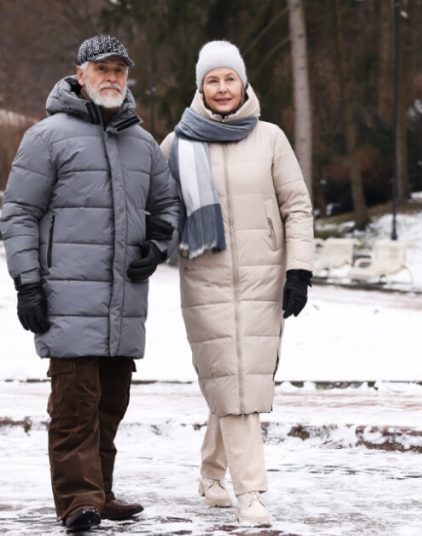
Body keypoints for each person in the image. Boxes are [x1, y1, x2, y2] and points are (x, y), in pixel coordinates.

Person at [0, 34, 180, 531]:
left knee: (110, 405)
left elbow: (167, 206)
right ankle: (79, 500)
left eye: (119, 70)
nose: (112, 78)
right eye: (102, 69)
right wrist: (28, 283)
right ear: (80, 74)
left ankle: (100, 490)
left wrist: (158, 245)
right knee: (75, 406)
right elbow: (19, 213)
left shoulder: (142, 143)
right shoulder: (47, 137)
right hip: (66, 298)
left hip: (123, 303)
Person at [160, 40, 314, 527]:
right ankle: (252, 495)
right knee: (230, 380)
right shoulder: (177, 144)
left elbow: (297, 207)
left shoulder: (270, 138)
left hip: (262, 279)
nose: (222, 88)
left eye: (229, 78)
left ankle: (210, 475)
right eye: (212, 80)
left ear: (243, 83)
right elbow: (160, 211)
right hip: (203, 278)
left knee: (239, 382)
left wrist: (298, 270)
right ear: (200, 87)